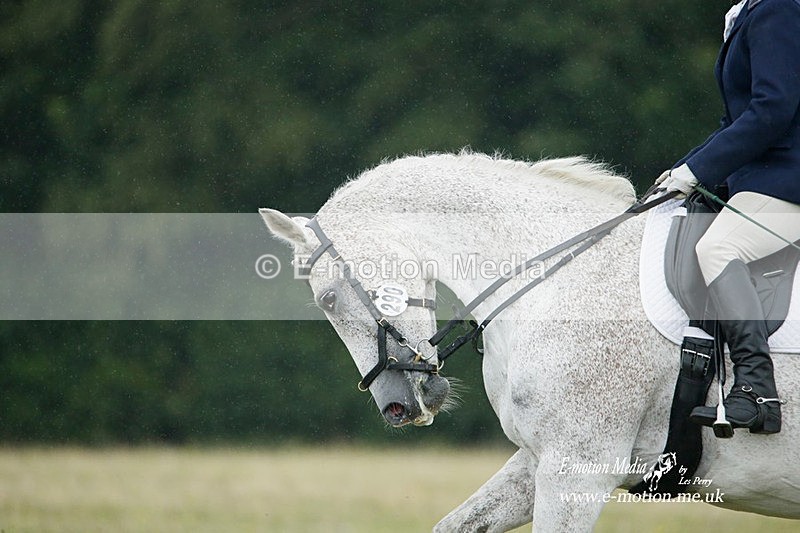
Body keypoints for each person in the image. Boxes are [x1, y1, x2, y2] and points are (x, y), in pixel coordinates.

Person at [658, 0, 800, 435]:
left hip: (788, 179)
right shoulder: (751, 11)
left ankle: (757, 389)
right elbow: (733, 121)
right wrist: (684, 169)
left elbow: (773, 109)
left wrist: (698, 171)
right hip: (763, 176)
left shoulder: (779, 9)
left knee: (719, 246)